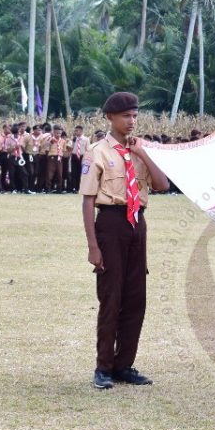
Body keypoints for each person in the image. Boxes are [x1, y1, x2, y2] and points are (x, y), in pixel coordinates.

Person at [81, 91, 170, 391]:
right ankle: (103, 367)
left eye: (134, 116)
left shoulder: (141, 150)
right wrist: (93, 246)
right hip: (110, 222)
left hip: (137, 224)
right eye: (125, 116)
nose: (131, 121)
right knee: (111, 297)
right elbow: (88, 201)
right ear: (110, 118)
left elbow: (162, 185)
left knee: (136, 298)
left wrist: (143, 154)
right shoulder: (98, 152)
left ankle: (124, 364)